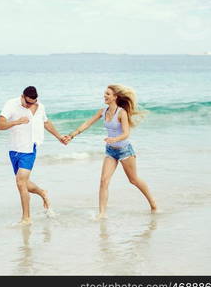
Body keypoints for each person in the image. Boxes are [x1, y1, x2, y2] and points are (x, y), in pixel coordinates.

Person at [64, 84, 157, 219]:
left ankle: (153, 204)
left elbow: (126, 133)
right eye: (105, 93)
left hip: (125, 151)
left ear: (115, 97)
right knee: (104, 181)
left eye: (108, 94)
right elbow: (88, 123)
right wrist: (72, 135)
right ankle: (102, 214)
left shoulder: (121, 113)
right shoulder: (103, 111)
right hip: (111, 151)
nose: (105, 96)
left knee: (133, 180)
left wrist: (115, 139)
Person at [0, 86, 66, 225]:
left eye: (32, 103)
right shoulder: (11, 104)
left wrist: (59, 137)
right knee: (23, 183)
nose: (29, 105)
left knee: (20, 182)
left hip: (29, 149)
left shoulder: (40, 107)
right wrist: (16, 121)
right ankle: (42, 193)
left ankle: (26, 218)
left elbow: (46, 123)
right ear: (22, 96)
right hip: (14, 149)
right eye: (27, 102)